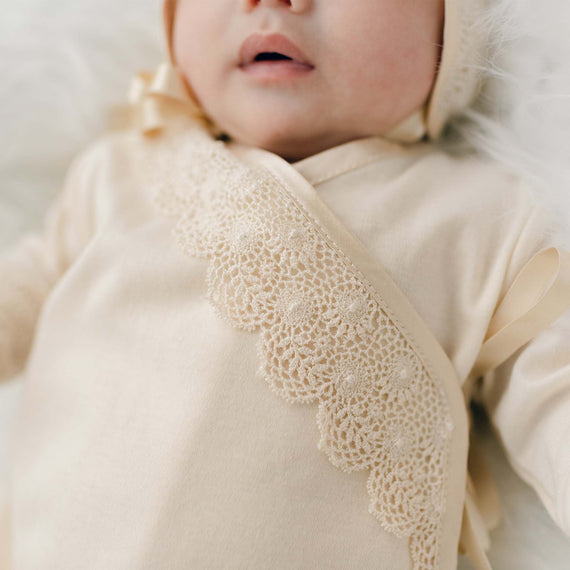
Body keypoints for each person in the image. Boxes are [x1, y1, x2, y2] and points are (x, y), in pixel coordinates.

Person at [0, 0, 569, 568]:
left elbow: (553, 391)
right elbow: (24, 289)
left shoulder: (481, 216)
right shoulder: (118, 173)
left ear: (451, 35)